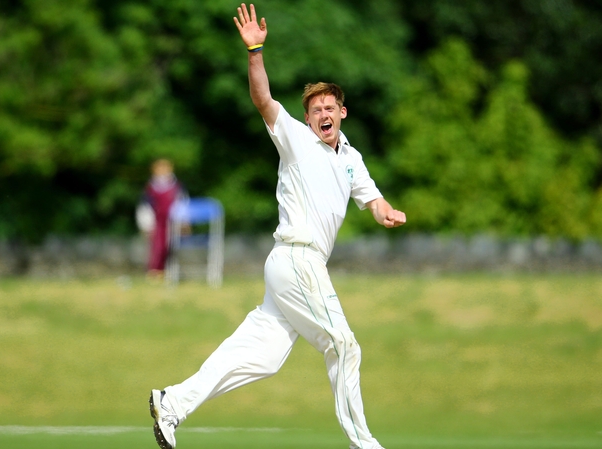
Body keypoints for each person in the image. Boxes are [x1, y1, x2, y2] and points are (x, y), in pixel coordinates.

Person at [148, 4, 406, 449]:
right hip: (297, 258)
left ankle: (172, 403)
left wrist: (386, 211)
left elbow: (373, 199)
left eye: (329, 107)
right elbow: (263, 99)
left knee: (263, 356)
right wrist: (255, 52)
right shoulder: (296, 139)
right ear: (307, 119)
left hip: (293, 268)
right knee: (343, 345)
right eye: (315, 109)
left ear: (343, 112)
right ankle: (363, 444)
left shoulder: (351, 158)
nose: (322, 114)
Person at [140, 159, 187, 281]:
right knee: (156, 247)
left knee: (172, 245)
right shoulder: (150, 187)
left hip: (173, 221)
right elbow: (145, 206)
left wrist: (184, 221)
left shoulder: (177, 186)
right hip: (156, 222)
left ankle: (171, 271)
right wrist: (146, 224)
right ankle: (155, 271)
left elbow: (183, 203)